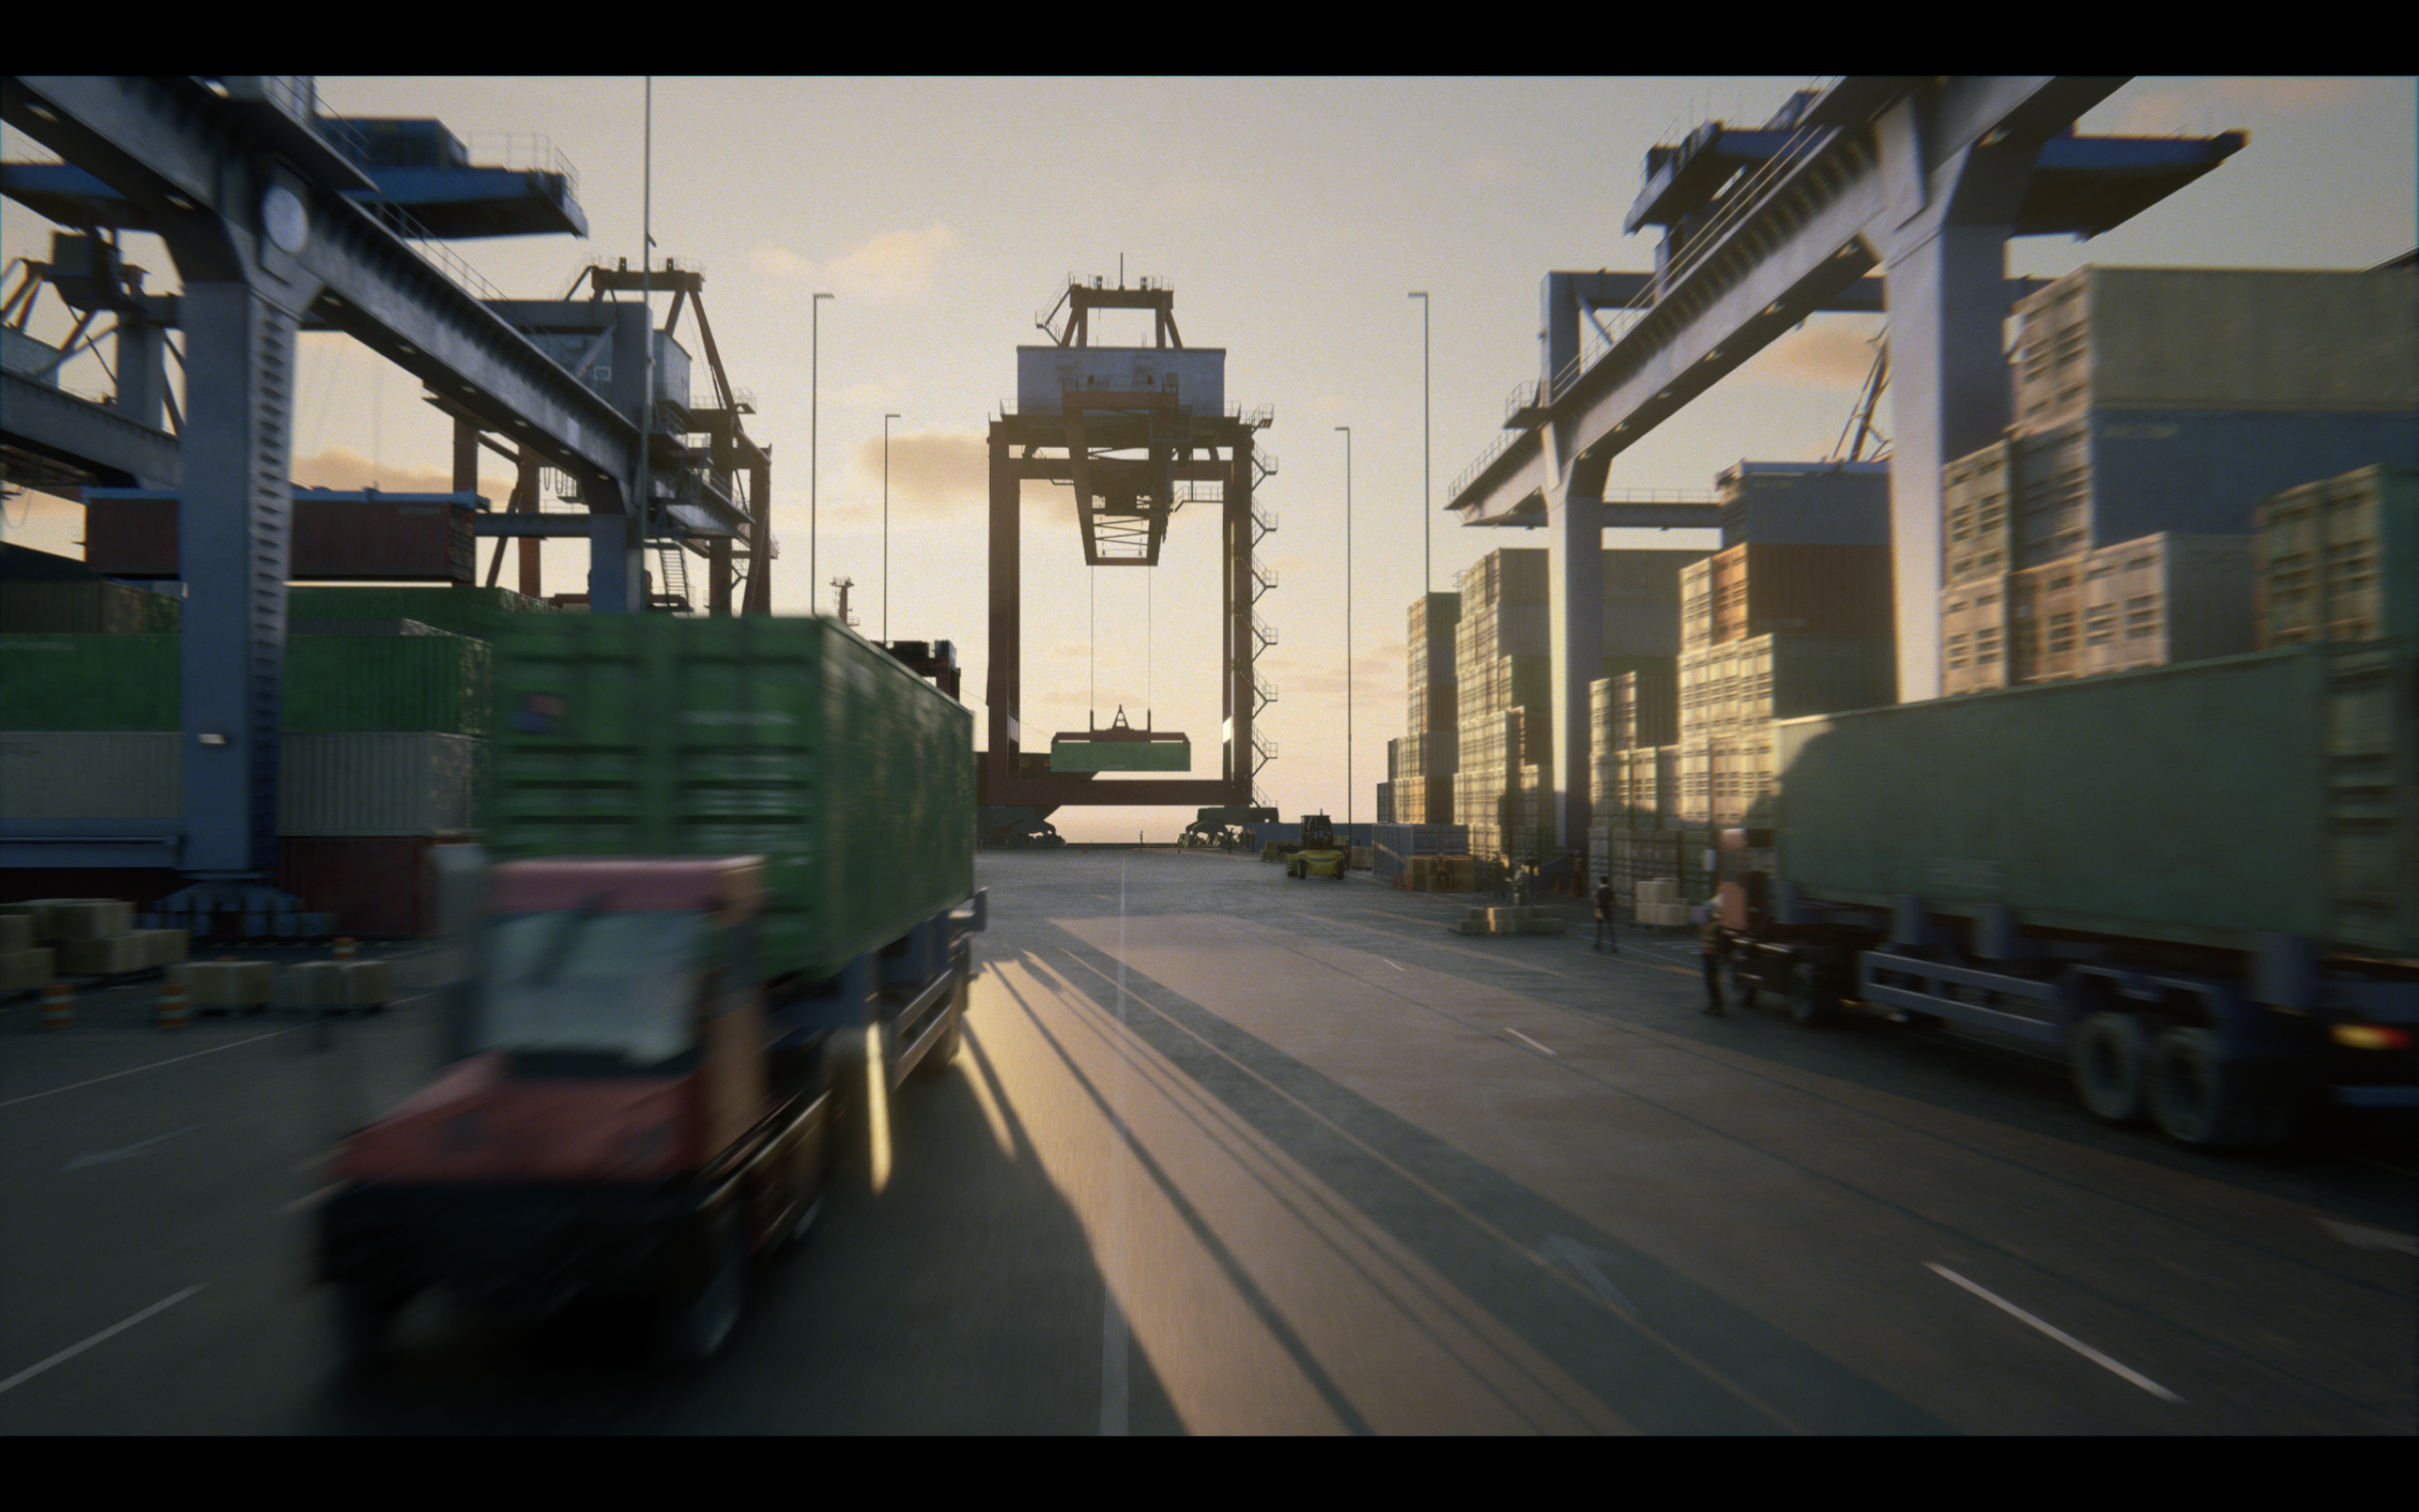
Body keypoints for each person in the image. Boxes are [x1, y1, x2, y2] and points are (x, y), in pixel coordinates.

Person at [1695, 902, 1725, 1015]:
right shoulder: (1708, 924)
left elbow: (1721, 943)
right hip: (1707, 955)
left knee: (1712, 982)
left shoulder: (1716, 925)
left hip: (1713, 956)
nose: (1706, 913)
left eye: (1707, 911)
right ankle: (1714, 1005)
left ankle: (1717, 1006)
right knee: (1710, 982)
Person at [1594, 877, 1619, 953]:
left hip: (1601, 911)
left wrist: (1597, 911)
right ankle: (1613, 946)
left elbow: (1597, 902)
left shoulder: (1599, 891)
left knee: (1599, 928)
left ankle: (1598, 943)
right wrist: (1612, 910)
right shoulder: (1610, 891)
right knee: (1611, 930)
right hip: (1608, 912)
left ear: (1601, 882)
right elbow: (1614, 901)